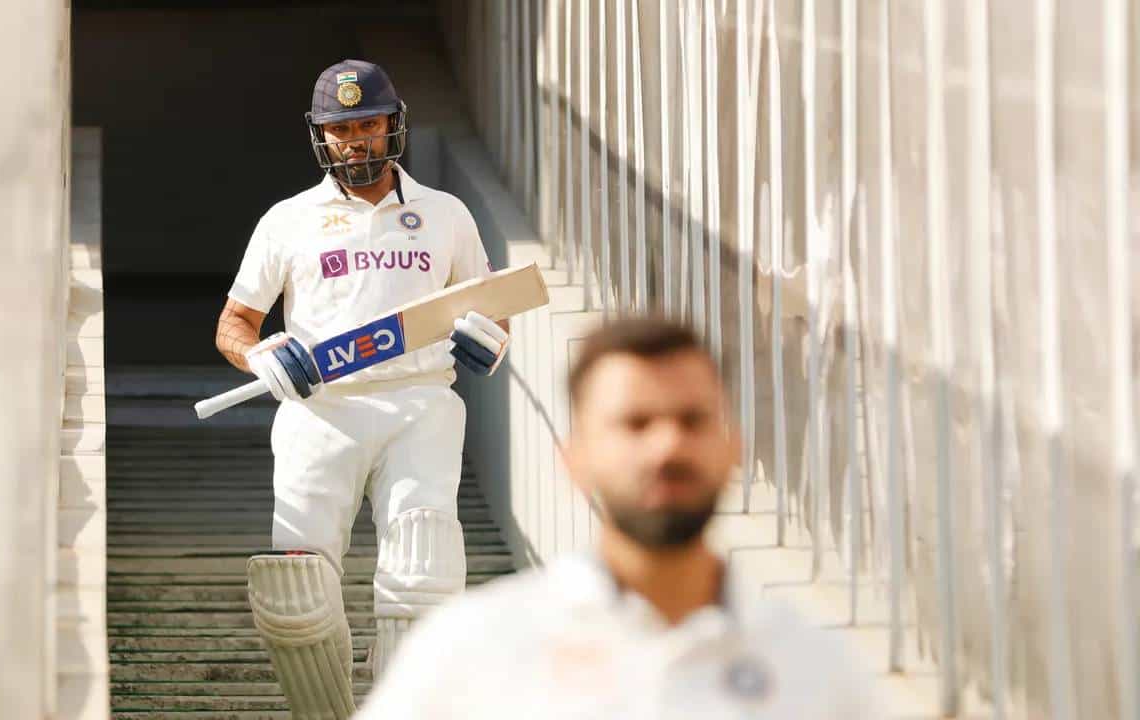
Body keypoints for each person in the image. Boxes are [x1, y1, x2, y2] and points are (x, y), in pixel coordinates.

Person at [356, 317, 883, 719]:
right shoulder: (472, 648)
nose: (667, 446)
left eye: (692, 420)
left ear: (733, 448)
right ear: (574, 457)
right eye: (635, 423)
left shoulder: (817, 666)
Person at [214, 59, 510, 718]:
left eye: (367, 125)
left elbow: (493, 306)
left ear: (393, 125)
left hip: (420, 403)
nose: (354, 141)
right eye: (341, 129)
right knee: (295, 591)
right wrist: (259, 355)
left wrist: (490, 335)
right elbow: (234, 324)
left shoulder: (445, 213)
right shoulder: (288, 219)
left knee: (424, 576)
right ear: (321, 135)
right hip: (320, 410)